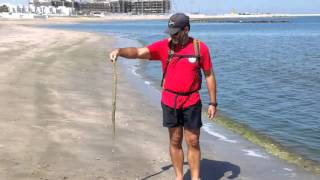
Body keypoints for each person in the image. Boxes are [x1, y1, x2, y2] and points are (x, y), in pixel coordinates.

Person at [109, 13, 217, 180]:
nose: (171, 36)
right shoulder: (163, 47)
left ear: (186, 29)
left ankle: (196, 178)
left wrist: (213, 102)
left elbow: (209, 75)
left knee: (193, 141)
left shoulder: (199, 48)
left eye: (175, 32)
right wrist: (119, 51)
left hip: (191, 101)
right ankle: (179, 177)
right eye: (170, 32)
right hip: (170, 100)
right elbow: (138, 52)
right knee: (175, 140)